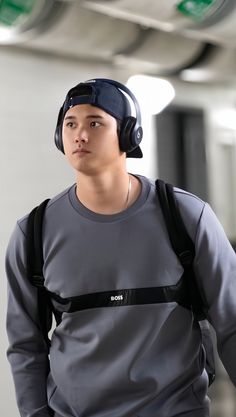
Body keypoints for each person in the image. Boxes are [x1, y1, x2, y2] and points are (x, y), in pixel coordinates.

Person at [5, 77, 236, 417]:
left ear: (129, 134)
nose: (79, 135)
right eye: (70, 124)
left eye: (95, 122)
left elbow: (231, 322)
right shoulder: (33, 233)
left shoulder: (187, 216)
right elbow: (26, 346)